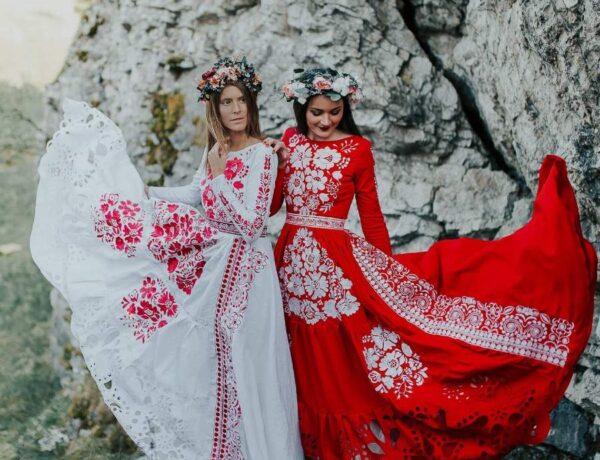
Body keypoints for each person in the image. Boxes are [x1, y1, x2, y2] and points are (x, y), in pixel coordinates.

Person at [268, 67, 597, 459]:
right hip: (289, 266)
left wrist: (389, 277)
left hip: (336, 270)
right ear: (301, 108)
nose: (325, 121)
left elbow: (371, 216)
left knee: (346, 363)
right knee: (303, 359)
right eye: (317, 113)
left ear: (345, 109)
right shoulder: (290, 142)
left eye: (334, 112)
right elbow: (272, 207)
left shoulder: (357, 149)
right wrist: (275, 165)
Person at [30, 56, 303, 460]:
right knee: (217, 363)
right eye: (226, 102)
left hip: (250, 271)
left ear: (252, 104)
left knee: (251, 363)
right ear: (214, 107)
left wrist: (223, 175)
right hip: (221, 267)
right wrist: (145, 195)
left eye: (241, 100)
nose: (236, 109)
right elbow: (195, 194)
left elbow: (250, 223)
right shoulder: (217, 150)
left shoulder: (261, 154)